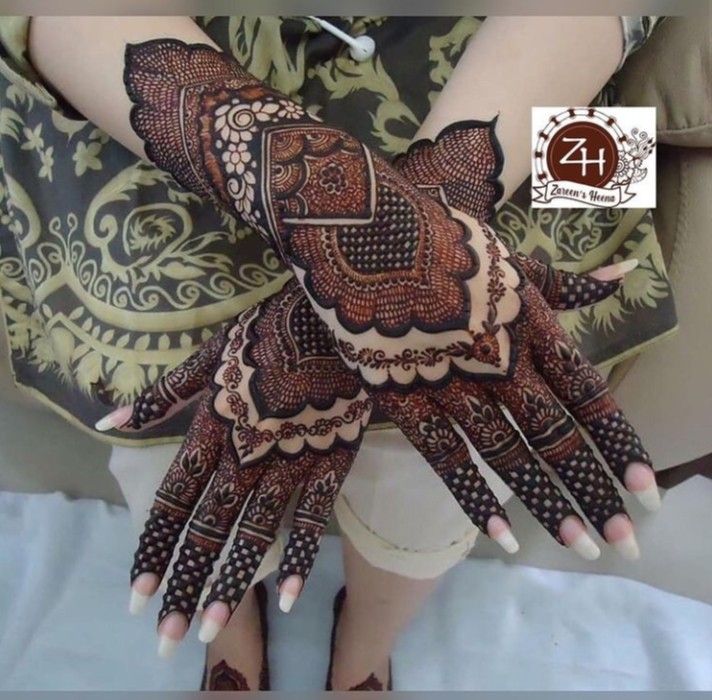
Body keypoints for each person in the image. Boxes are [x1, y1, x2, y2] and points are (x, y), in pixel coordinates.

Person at [0, 16, 670, 691]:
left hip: (525, 75)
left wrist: (392, 248)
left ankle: (366, 641)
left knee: (457, 419)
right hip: (139, 51)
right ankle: (230, 631)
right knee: (176, 411)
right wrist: (366, 231)